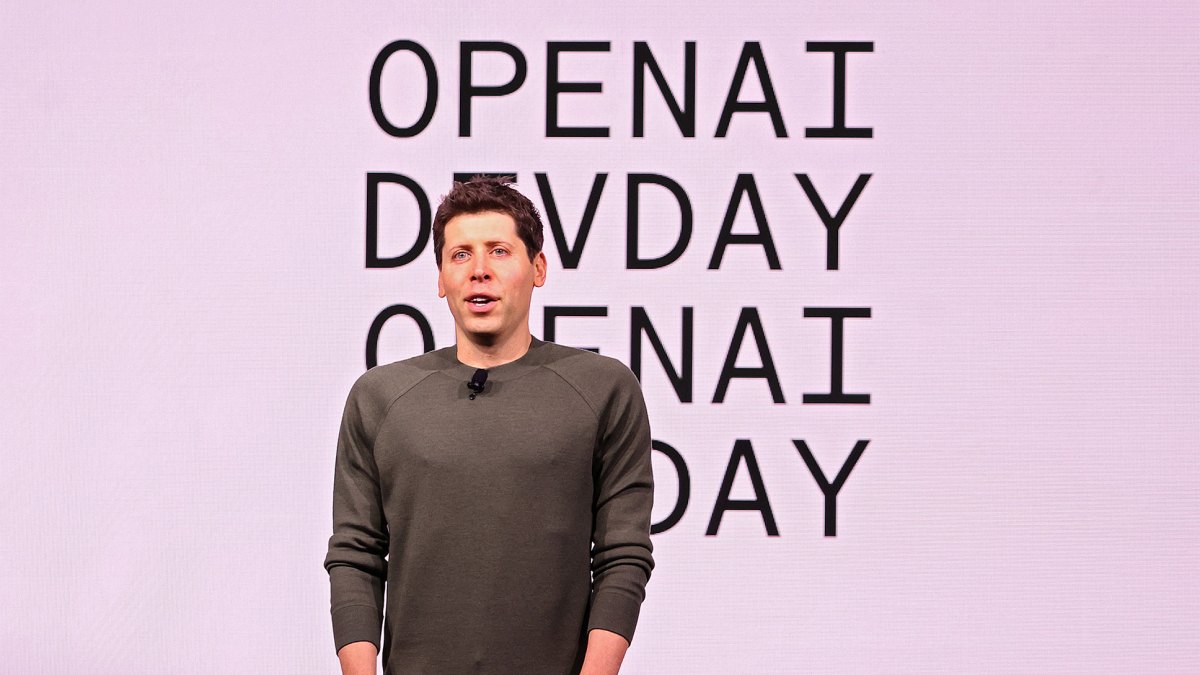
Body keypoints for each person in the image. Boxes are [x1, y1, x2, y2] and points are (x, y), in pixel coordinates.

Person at [323, 176, 655, 674]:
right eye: (460, 255)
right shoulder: (380, 396)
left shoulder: (603, 388)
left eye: (499, 251)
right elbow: (355, 555)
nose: (479, 271)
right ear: (440, 278)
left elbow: (623, 555)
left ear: (537, 268)